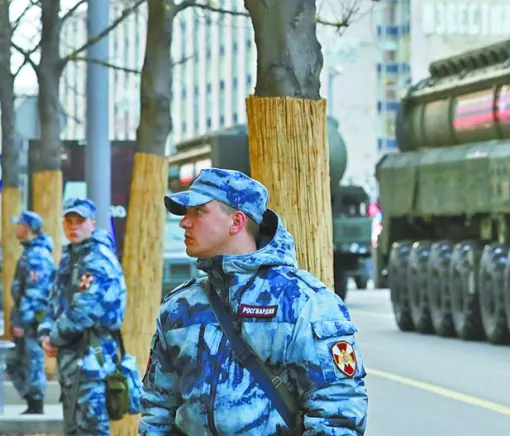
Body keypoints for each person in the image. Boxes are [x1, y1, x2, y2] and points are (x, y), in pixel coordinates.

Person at [139, 167, 369, 435]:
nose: (184, 222)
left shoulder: (304, 303)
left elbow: (338, 412)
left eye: (199, 212)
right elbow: (157, 408)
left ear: (236, 222)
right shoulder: (180, 307)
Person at [38, 198, 127, 435]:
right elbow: (54, 300)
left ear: (92, 223)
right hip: (72, 359)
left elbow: (83, 312)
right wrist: (45, 332)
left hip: (92, 358)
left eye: (80, 221)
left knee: (91, 428)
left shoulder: (97, 259)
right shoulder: (71, 258)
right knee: (74, 428)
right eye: (69, 221)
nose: (74, 226)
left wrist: (53, 338)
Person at [7, 210, 55, 414]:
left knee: (32, 360)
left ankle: (36, 402)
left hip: (32, 322)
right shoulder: (30, 252)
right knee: (13, 361)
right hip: (25, 318)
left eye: (19, 224)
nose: (16, 228)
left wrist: (22, 322)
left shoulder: (37, 256)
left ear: (26, 228)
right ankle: (31, 399)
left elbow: (34, 294)